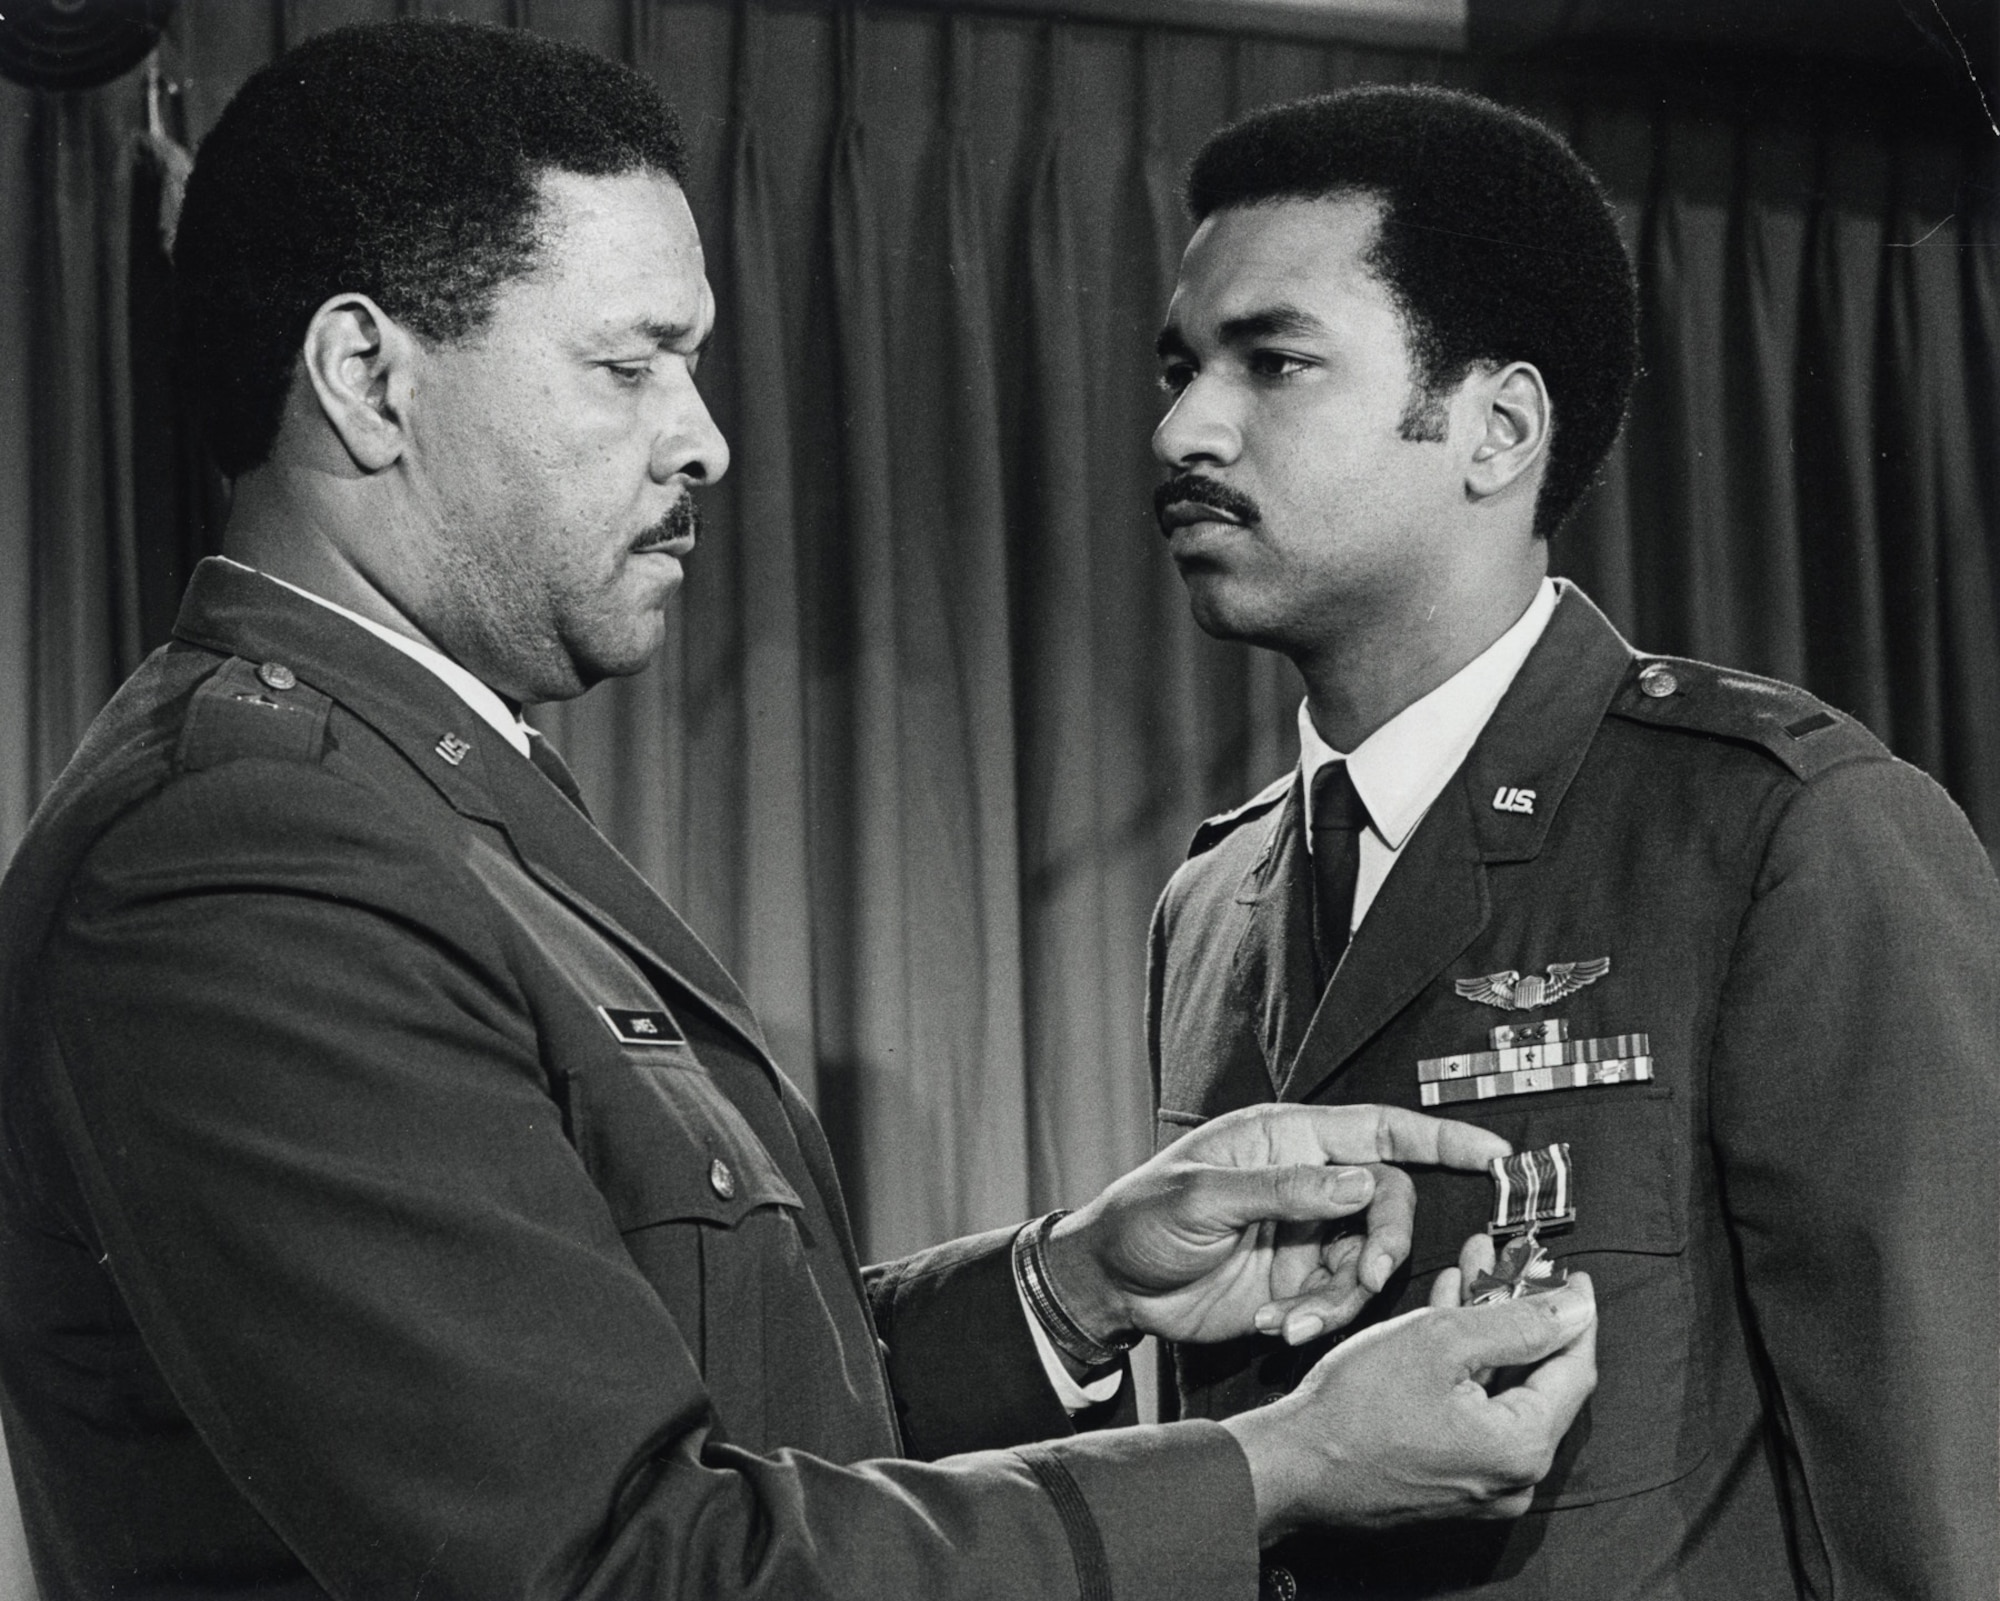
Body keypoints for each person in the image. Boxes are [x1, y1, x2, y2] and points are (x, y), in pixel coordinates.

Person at [0, 25, 1603, 1601]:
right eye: (629, 365)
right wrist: (1280, 1465)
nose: (699, 437)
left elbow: (712, 1406)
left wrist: (1075, 1280)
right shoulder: (244, 861)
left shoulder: (416, 792)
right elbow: (627, 1565)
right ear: (366, 379)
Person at [1146, 83, 1999, 1600]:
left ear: (1498, 429)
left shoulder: (1779, 832)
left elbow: (1946, 1509)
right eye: (1182, 365)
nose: (1183, 427)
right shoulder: (1213, 902)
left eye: (1272, 362)